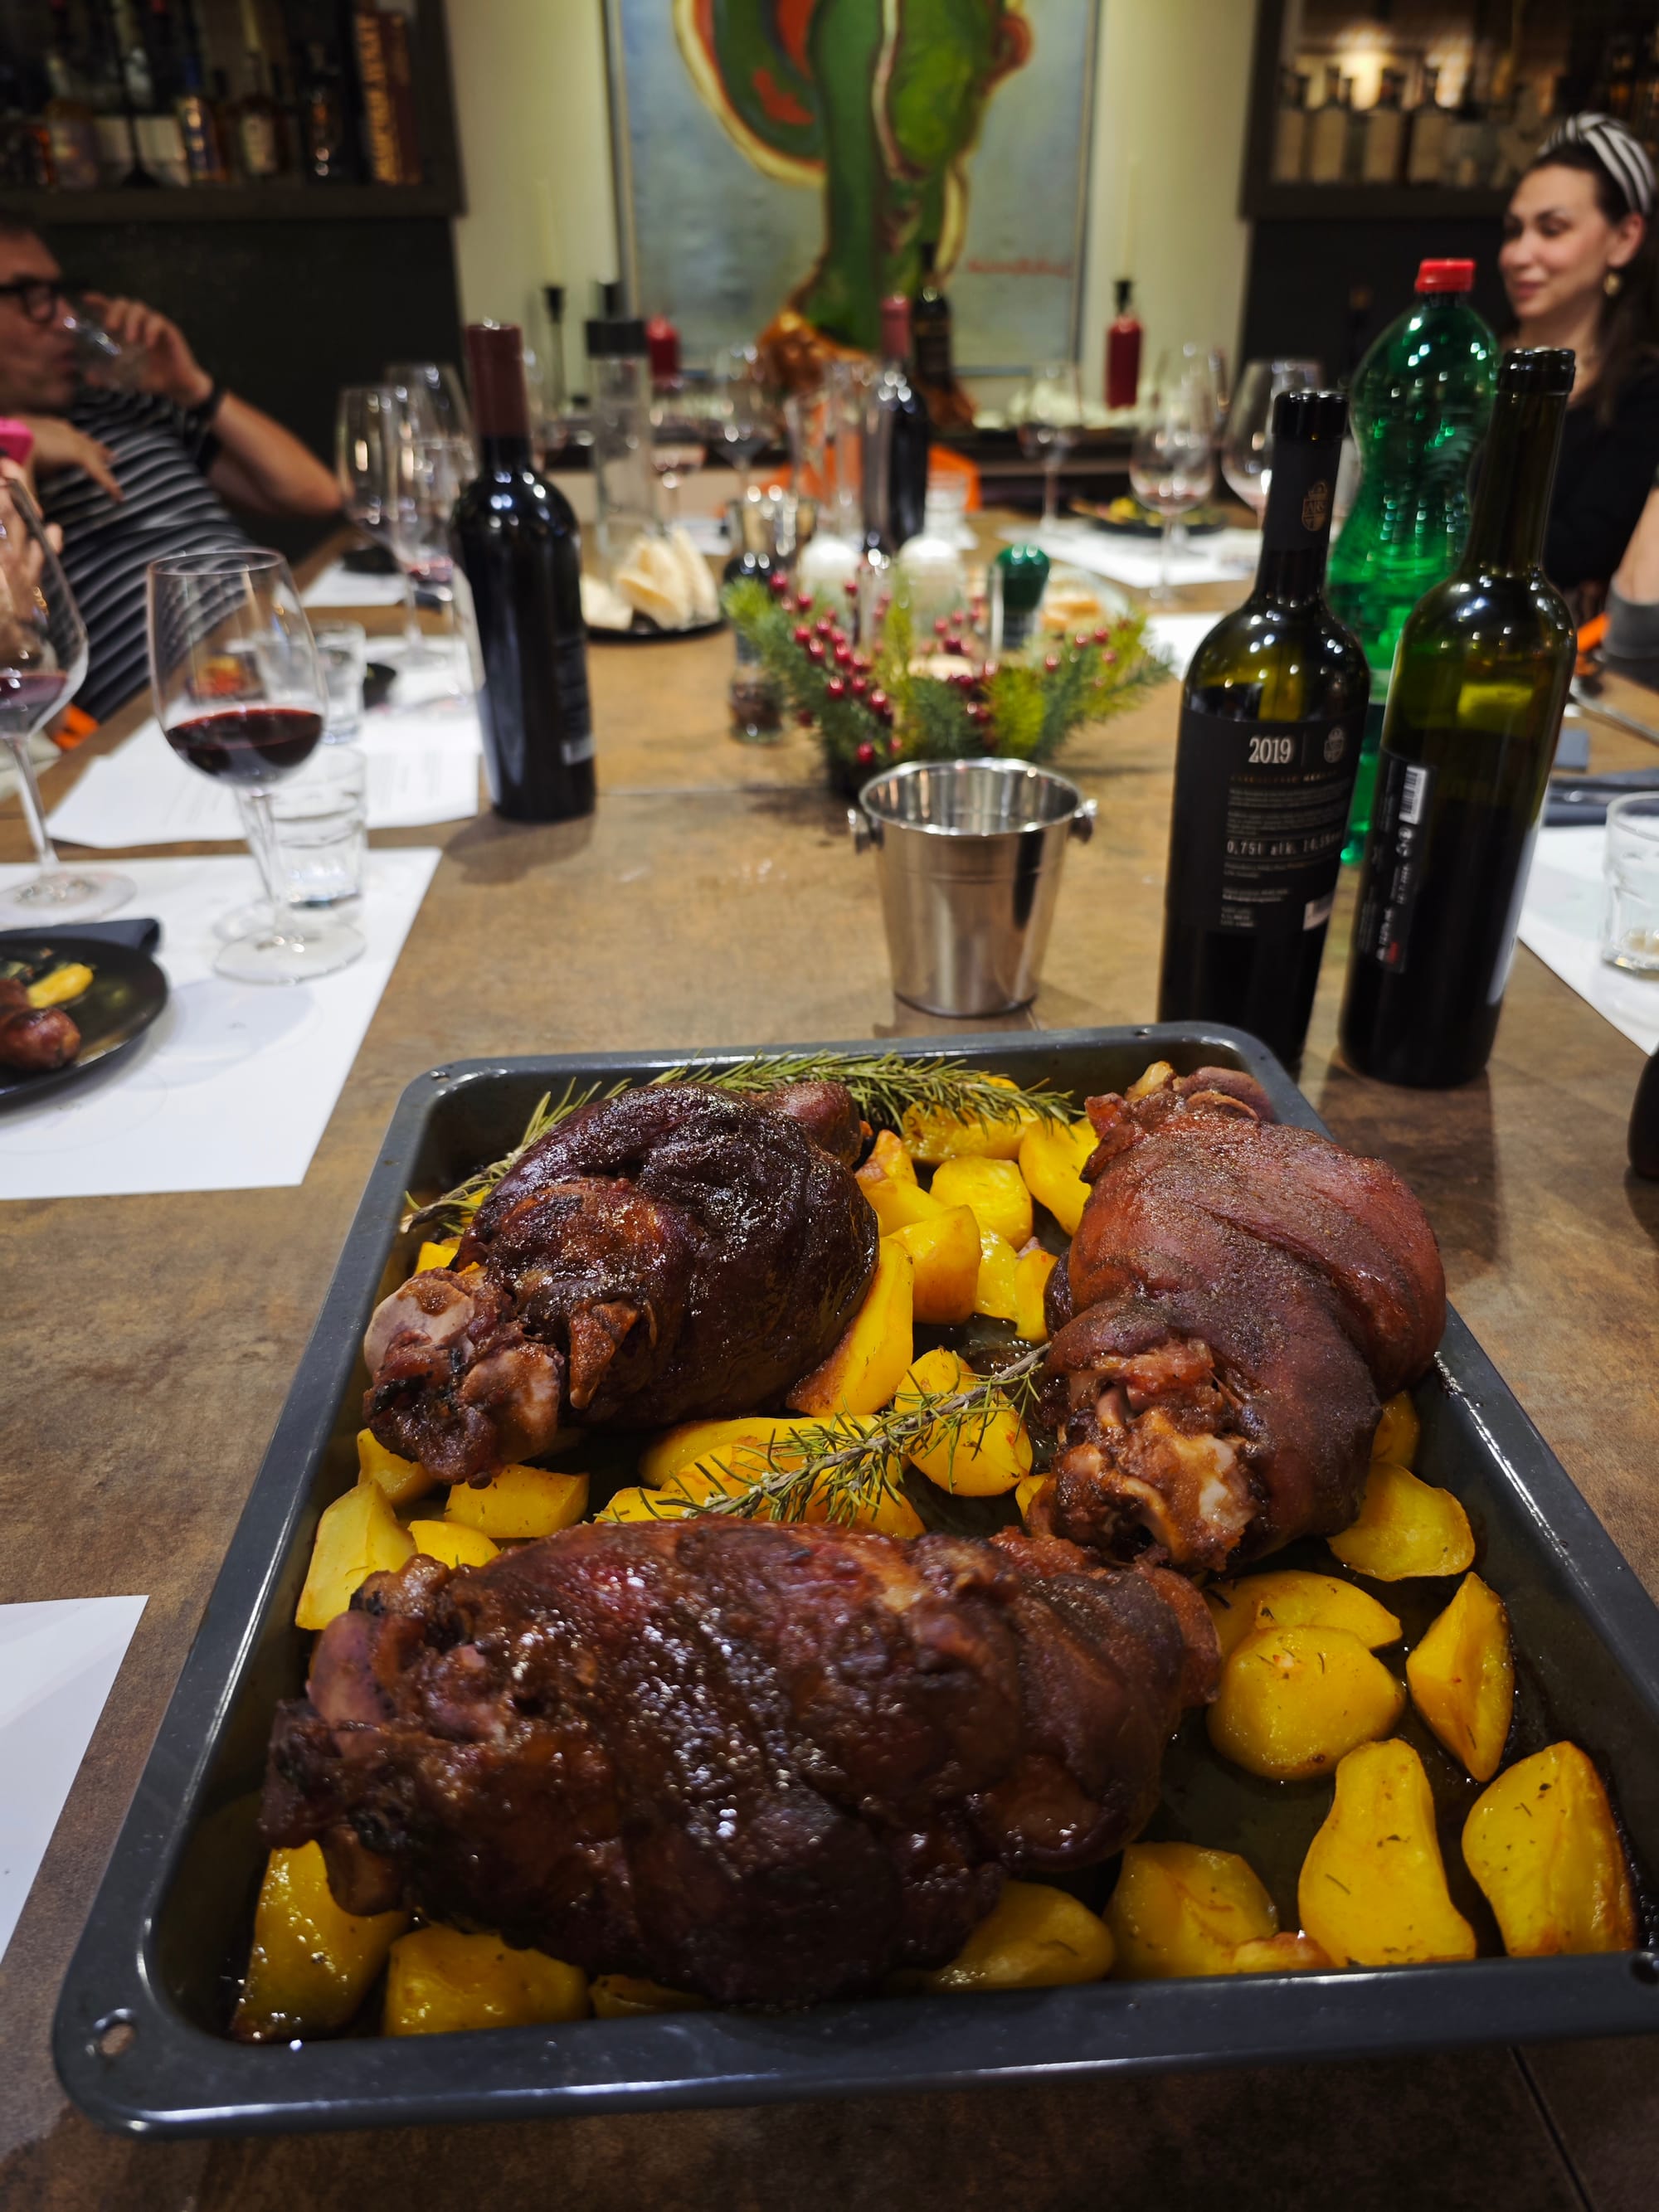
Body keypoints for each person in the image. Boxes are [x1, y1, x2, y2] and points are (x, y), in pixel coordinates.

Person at [0, 220, 338, 718]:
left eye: (60, 295)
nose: (65, 319)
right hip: (175, 709)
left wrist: (190, 387)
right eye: (33, 298)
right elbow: (20, 647)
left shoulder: (120, 403)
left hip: (283, 645)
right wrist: (16, 442)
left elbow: (317, 495)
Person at [1500, 113, 1659, 603]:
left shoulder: (1642, 390)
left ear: (1624, 238)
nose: (1519, 254)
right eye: (1514, 230)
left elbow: (1578, 553)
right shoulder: (1473, 361)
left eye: (1552, 229)